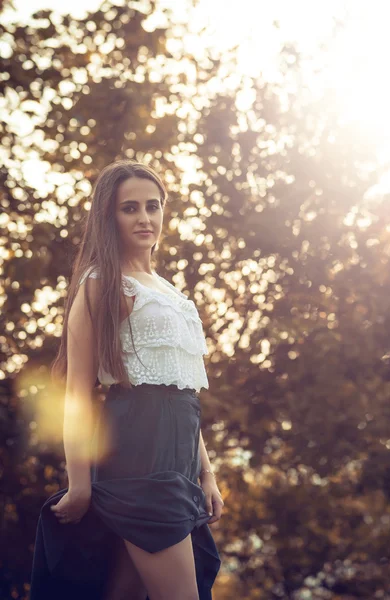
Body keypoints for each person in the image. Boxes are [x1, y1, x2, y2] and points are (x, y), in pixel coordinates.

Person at [30, 159, 223, 600]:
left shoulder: (169, 290)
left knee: (122, 594)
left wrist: (206, 475)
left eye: (153, 206)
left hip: (178, 461)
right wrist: (79, 485)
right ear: (108, 216)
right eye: (129, 208)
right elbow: (77, 393)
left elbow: (181, 390)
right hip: (138, 456)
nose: (144, 218)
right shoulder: (102, 284)